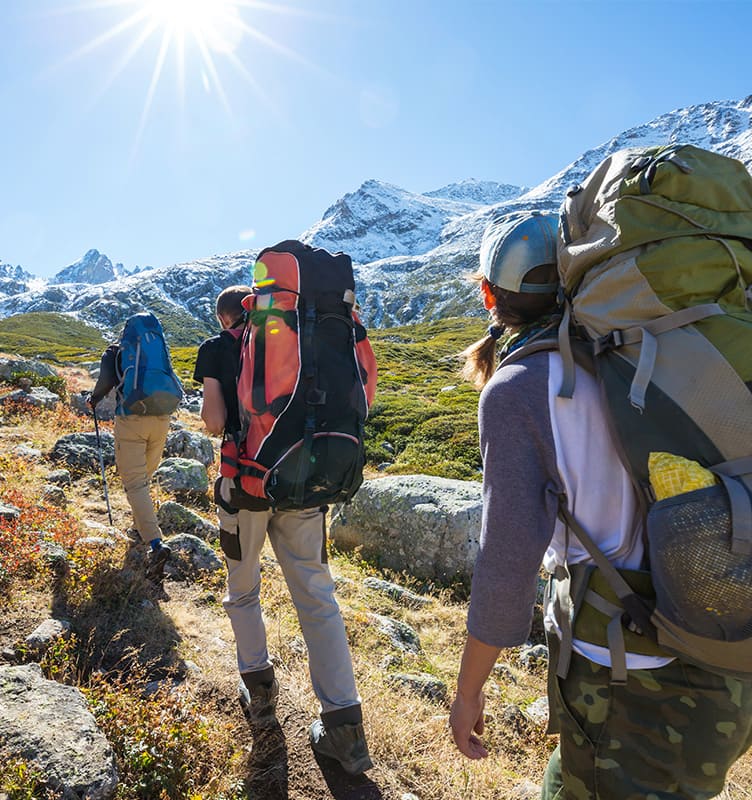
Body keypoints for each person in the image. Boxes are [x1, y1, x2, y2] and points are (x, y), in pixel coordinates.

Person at [448, 210, 752, 798]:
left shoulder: (521, 389)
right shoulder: (657, 354)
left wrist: (467, 691)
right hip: (724, 638)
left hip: (629, 674)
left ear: (490, 295)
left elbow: (506, 562)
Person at [193, 285, 373, 776]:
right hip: (306, 487)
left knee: (244, 591)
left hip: (246, 488)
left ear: (225, 316)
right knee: (318, 598)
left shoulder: (217, 346)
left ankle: (260, 694)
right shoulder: (301, 338)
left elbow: (212, 422)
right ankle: (345, 727)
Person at [88, 317, 173, 589]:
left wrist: (94, 400)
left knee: (135, 484)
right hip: (161, 419)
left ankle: (155, 543)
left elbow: (104, 383)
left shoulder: (116, 352)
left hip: (131, 421)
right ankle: (139, 529)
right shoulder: (160, 349)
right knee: (143, 480)